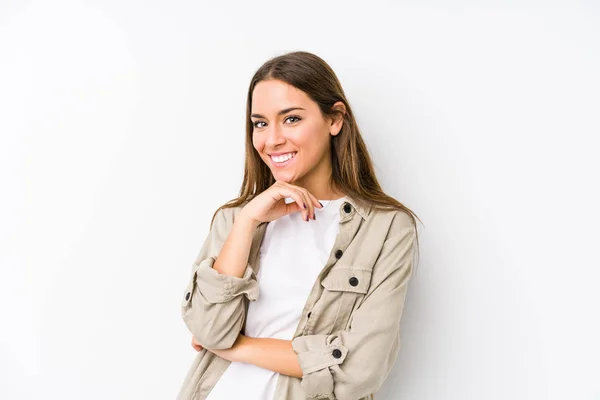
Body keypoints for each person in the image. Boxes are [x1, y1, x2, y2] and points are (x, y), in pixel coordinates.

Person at [177, 50, 421, 400]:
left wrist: (234, 346)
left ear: (335, 119)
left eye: (291, 119)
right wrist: (247, 221)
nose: (271, 139)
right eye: (260, 123)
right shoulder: (234, 219)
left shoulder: (386, 229)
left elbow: (360, 371)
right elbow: (209, 326)